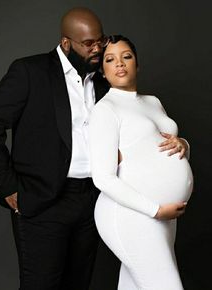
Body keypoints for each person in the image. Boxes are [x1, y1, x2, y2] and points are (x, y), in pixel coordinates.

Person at [0, 8, 189, 290]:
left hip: (92, 199)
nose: (97, 49)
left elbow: (137, 131)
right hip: (43, 200)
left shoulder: (104, 80)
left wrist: (181, 143)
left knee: (79, 283)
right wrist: (6, 187)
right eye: (89, 44)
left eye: (99, 41)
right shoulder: (30, 71)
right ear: (67, 43)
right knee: (41, 284)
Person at [89, 35, 193, 290]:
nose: (120, 64)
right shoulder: (106, 109)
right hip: (132, 215)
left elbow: (157, 148)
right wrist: (155, 210)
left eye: (127, 57)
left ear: (137, 64)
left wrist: (184, 145)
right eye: (110, 60)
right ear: (103, 71)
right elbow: (102, 177)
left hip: (164, 216)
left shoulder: (152, 102)